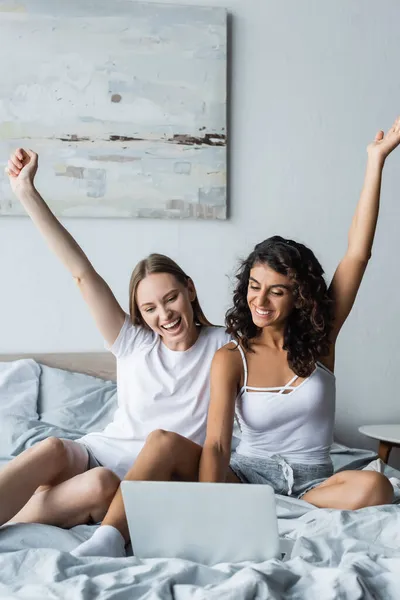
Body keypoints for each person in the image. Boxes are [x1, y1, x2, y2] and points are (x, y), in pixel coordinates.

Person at [73, 115, 400, 558]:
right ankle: (107, 539)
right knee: (163, 442)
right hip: (246, 477)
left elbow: (357, 254)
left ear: (300, 295)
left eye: (276, 291)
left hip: (316, 482)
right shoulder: (231, 355)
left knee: (377, 485)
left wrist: (375, 161)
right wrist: (214, 515)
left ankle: (283, 508)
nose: (260, 301)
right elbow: (218, 444)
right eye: (253, 286)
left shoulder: (323, 339)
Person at [2, 149, 230, 554]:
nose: (165, 314)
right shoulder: (134, 343)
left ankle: (20, 517)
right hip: (99, 452)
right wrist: (26, 192)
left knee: (102, 485)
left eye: (171, 298)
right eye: (150, 308)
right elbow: (81, 272)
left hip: (143, 478)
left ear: (190, 290)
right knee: (54, 447)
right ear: (139, 313)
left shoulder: (227, 346)